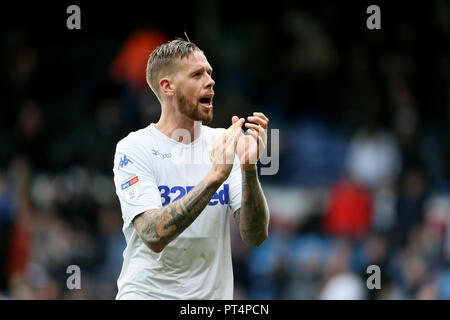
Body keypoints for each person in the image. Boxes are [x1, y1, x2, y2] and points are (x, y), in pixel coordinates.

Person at [112, 38, 270, 299]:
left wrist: (249, 169)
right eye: (197, 74)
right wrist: (215, 177)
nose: (210, 81)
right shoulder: (135, 148)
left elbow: (255, 236)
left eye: (209, 73)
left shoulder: (224, 143)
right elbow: (153, 234)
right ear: (168, 86)